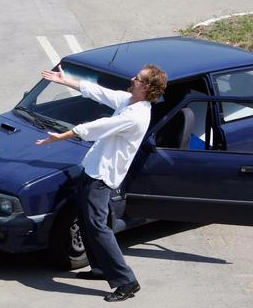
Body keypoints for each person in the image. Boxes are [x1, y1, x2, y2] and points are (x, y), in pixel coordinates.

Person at [36, 64, 167, 302]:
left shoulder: (135, 115)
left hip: (101, 177)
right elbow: (99, 92)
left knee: (98, 227)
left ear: (146, 87)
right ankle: (99, 269)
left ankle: (127, 281)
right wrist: (65, 81)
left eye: (137, 78)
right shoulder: (129, 101)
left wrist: (63, 136)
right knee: (90, 222)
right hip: (93, 170)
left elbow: (99, 126)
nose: (132, 78)